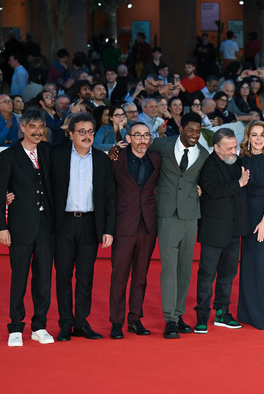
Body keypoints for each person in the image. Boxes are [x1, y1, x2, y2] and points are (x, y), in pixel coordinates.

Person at [50, 112, 116, 341]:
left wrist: (108, 229)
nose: (87, 136)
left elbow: (110, 197)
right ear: (70, 134)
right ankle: (65, 324)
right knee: (63, 275)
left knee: (86, 276)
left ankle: (81, 323)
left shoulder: (101, 159)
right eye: (82, 131)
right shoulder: (56, 156)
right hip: (63, 223)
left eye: (90, 131)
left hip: (90, 223)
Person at [0, 108, 55, 347]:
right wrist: (2, 227)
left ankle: (39, 326)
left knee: (43, 279)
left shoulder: (48, 151)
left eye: (41, 127)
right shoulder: (9, 155)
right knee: (19, 278)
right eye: (33, 127)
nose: (38, 131)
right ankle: (15, 328)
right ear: (23, 128)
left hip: (46, 227)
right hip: (19, 226)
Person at [150, 112, 210, 338]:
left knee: (185, 269)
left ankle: (178, 313)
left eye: (198, 131)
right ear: (181, 128)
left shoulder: (204, 154)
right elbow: (138, 148)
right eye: (190, 130)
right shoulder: (162, 144)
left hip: (190, 215)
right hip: (166, 213)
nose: (195, 134)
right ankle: (170, 320)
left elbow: (205, 179)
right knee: (169, 268)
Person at [194, 128, 251, 333]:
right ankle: (201, 316)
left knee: (227, 274)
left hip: (234, 230)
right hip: (213, 230)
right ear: (216, 147)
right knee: (207, 275)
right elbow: (213, 191)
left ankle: (222, 312)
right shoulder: (208, 165)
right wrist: (239, 184)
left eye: (235, 147)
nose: (233, 151)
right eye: (229, 148)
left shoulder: (236, 161)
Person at [109, 122, 161, 339]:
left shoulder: (156, 159)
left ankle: (135, 319)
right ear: (128, 138)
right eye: (137, 135)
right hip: (124, 225)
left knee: (141, 276)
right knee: (119, 276)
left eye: (146, 135)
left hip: (148, 225)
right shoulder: (115, 157)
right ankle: (116, 322)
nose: (142, 139)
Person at [236, 120, 264, 330]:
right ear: (248, 136)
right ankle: (248, 313)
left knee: (263, 266)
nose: (257, 139)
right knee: (248, 265)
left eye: (261, 134)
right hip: (246, 217)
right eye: (254, 135)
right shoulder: (242, 158)